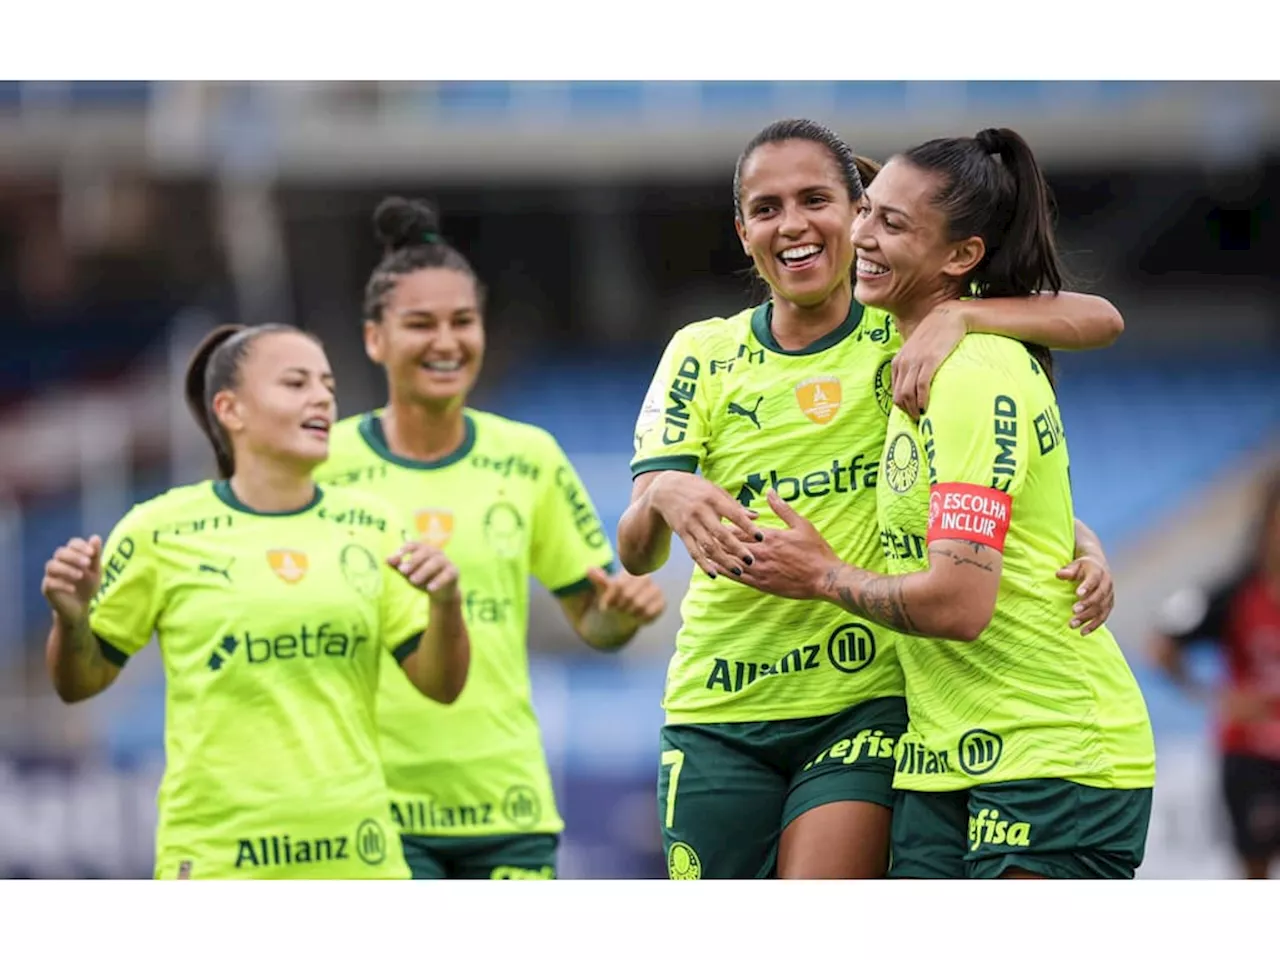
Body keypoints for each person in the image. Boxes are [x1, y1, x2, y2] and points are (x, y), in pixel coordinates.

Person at [617, 117, 1125, 880]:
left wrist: (962, 312)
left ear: (854, 212)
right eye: (766, 208)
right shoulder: (701, 352)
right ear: (743, 230)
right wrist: (663, 494)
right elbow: (635, 551)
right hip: (719, 701)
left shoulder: (907, 329)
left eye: (816, 199)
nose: (792, 224)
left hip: (866, 699)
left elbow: (1098, 320)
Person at [314, 197, 667, 881]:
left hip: (503, 802)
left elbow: (592, 618)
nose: (446, 341)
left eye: (463, 321)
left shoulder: (528, 456)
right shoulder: (323, 465)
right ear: (374, 339)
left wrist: (616, 619)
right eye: (420, 323)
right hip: (367, 803)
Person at [41, 322, 471, 880]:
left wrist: (446, 605)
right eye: (295, 383)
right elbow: (79, 684)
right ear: (231, 410)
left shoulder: (374, 523)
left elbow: (442, 685)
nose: (321, 397)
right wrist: (70, 621)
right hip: (220, 861)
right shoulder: (158, 529)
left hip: (360, 860)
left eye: (327, 385)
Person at [1150, 469, 1280, 879]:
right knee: (1255, 871)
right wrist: (1214, 697)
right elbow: (1162, 644)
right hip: (1252, 757)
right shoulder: (1234, 592)